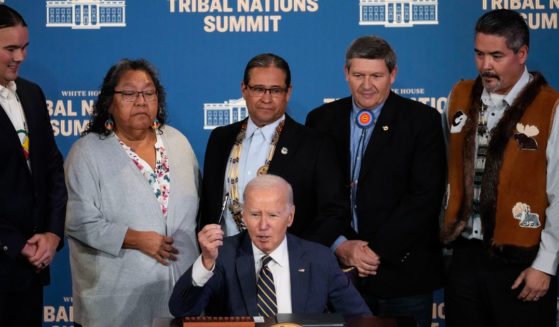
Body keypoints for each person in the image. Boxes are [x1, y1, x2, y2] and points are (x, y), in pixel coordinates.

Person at [305, 36, 446, 327]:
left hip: (403, 275)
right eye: (358, 75)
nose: (366, 85)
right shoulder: (321, 120)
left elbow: (424, 198)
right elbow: (313, 194)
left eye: (376, 76)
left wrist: (372, 251)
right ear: (346, 73)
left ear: (392, 75)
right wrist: (341, 245)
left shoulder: (422, 120)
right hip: (338, 272)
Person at [441, 9, 559, 327]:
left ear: (522, 54)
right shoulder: (459, 95)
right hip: (464, 256)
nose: (485, 66)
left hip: (522, 261)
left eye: (496, 55)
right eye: (479, 54)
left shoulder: (551, 107)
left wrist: (545, 265)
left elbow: (558, 193)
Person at [64, 59, 200, 327]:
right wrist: (135, 238)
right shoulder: (87, 152)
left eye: (149, 93)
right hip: (116, 302)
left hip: (181, 296)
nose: (140, 101)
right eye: (128, 93)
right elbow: (78, 221)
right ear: (109, 102)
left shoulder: (178, 142)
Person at [170, 174, 371, 318]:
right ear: (244, 216)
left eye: (273, 215)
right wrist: (205, 262)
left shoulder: (318, 259)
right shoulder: (223, 255)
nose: (263, 226)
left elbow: (362, 319)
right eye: (255, 214)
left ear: (290, 217)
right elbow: (181, 311)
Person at [200, 53, 348, 247]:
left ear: (288, 92)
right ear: (244, 89)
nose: (266, 99)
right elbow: (208, 207)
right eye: (258, 89)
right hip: (225, 263)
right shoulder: (220, 138)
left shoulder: (315, 145)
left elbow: (334, 212)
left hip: (288, 267)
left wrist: (299, 255)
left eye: (275, 90)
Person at [0, 5, 67, 326]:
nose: (20, 57)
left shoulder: (32, 94)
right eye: (10, 48)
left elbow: (53, 169)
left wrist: (52, 234)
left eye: (24, 47)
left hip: (31, 269)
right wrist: (15, 244)